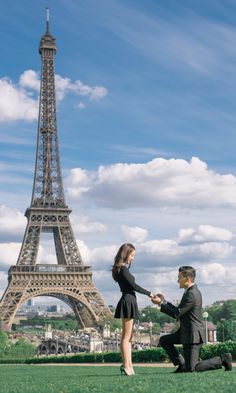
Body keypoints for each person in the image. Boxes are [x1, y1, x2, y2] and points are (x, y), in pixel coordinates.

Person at [152, 266, 232, 373]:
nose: (177, 281)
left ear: (188, 279)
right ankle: (182, 364)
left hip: (192, 335)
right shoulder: (189, 291)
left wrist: (160, 304)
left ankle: (222, 359)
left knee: (192, 369)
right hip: (185, 332)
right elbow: (179, 310)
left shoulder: (191, 294)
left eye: (179, 278)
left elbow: (177, 313)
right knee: (164, 340)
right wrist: (164, 302)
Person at [112, 243, 154, 376]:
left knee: (128, 337)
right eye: (132, 255)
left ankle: (129, 366)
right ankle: (127, 366)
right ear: (125, 254)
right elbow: (134, 286)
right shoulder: (123, 269)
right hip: (128, 301)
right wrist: (149, 293)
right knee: (126, 337)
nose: (133, 258)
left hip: (129, 301)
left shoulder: (121, 269)